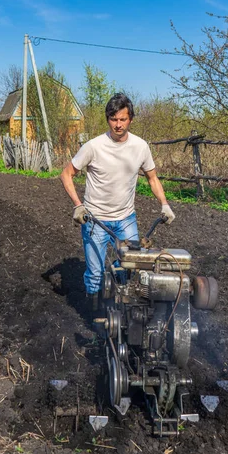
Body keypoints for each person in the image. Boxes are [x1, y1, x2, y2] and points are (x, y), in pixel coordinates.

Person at [60, 93, 175, 308]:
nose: (118, 125)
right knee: (94, 274)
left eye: (123, 119)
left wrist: (165, 204)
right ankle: (94, 316)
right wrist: (78, 205)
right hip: (95, 220)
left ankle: (117, 302)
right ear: (108, 119)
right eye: (114, 119)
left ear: (130, 119)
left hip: (125, 218)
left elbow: (153, 178)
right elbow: (66, 174)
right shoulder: (94, 146)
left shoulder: (140, 146)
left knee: (130, 266)